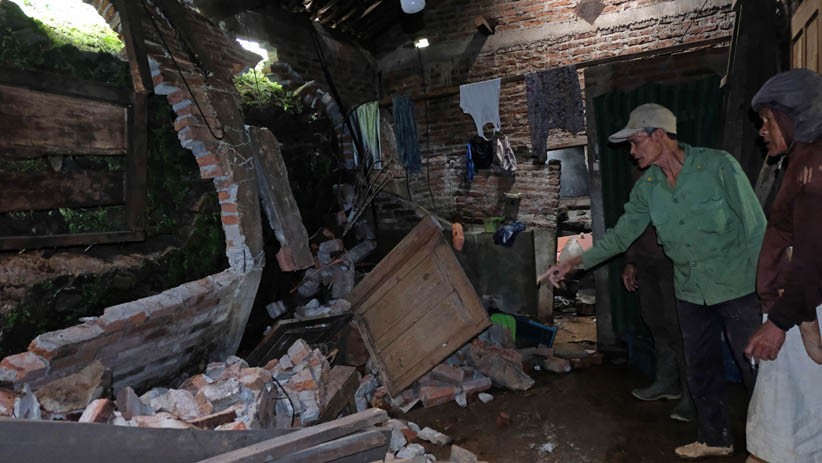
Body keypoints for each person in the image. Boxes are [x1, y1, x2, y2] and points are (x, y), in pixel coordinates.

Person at [538, 103, 766, 459]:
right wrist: (572, 263)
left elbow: (756, 228)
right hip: (690, 290)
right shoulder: (648, 188)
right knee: (701, 366)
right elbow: (620, 236)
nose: (631, 152)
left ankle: (771, 445)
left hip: (736, 285)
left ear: (658, 135)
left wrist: (766, 286)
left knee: (756, 368)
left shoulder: (719, 166)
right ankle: (714, 437)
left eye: (635, 142)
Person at [743, 68, 822, 463]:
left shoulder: (812, 164)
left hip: (799, 311)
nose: (762, 131)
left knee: (779, 442)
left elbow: (810, 259)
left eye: (767, 120)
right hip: (800, 309)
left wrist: (781, 323)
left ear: (791, 116)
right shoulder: (802, 159)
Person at [622, 225, 694, 423]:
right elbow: (633, 223)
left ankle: (693, 396)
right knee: (655, 321)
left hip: (674, 262)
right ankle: (667, 382)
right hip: (647, 263)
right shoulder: (642, 193)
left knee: (678, 326)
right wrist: (631, 261)